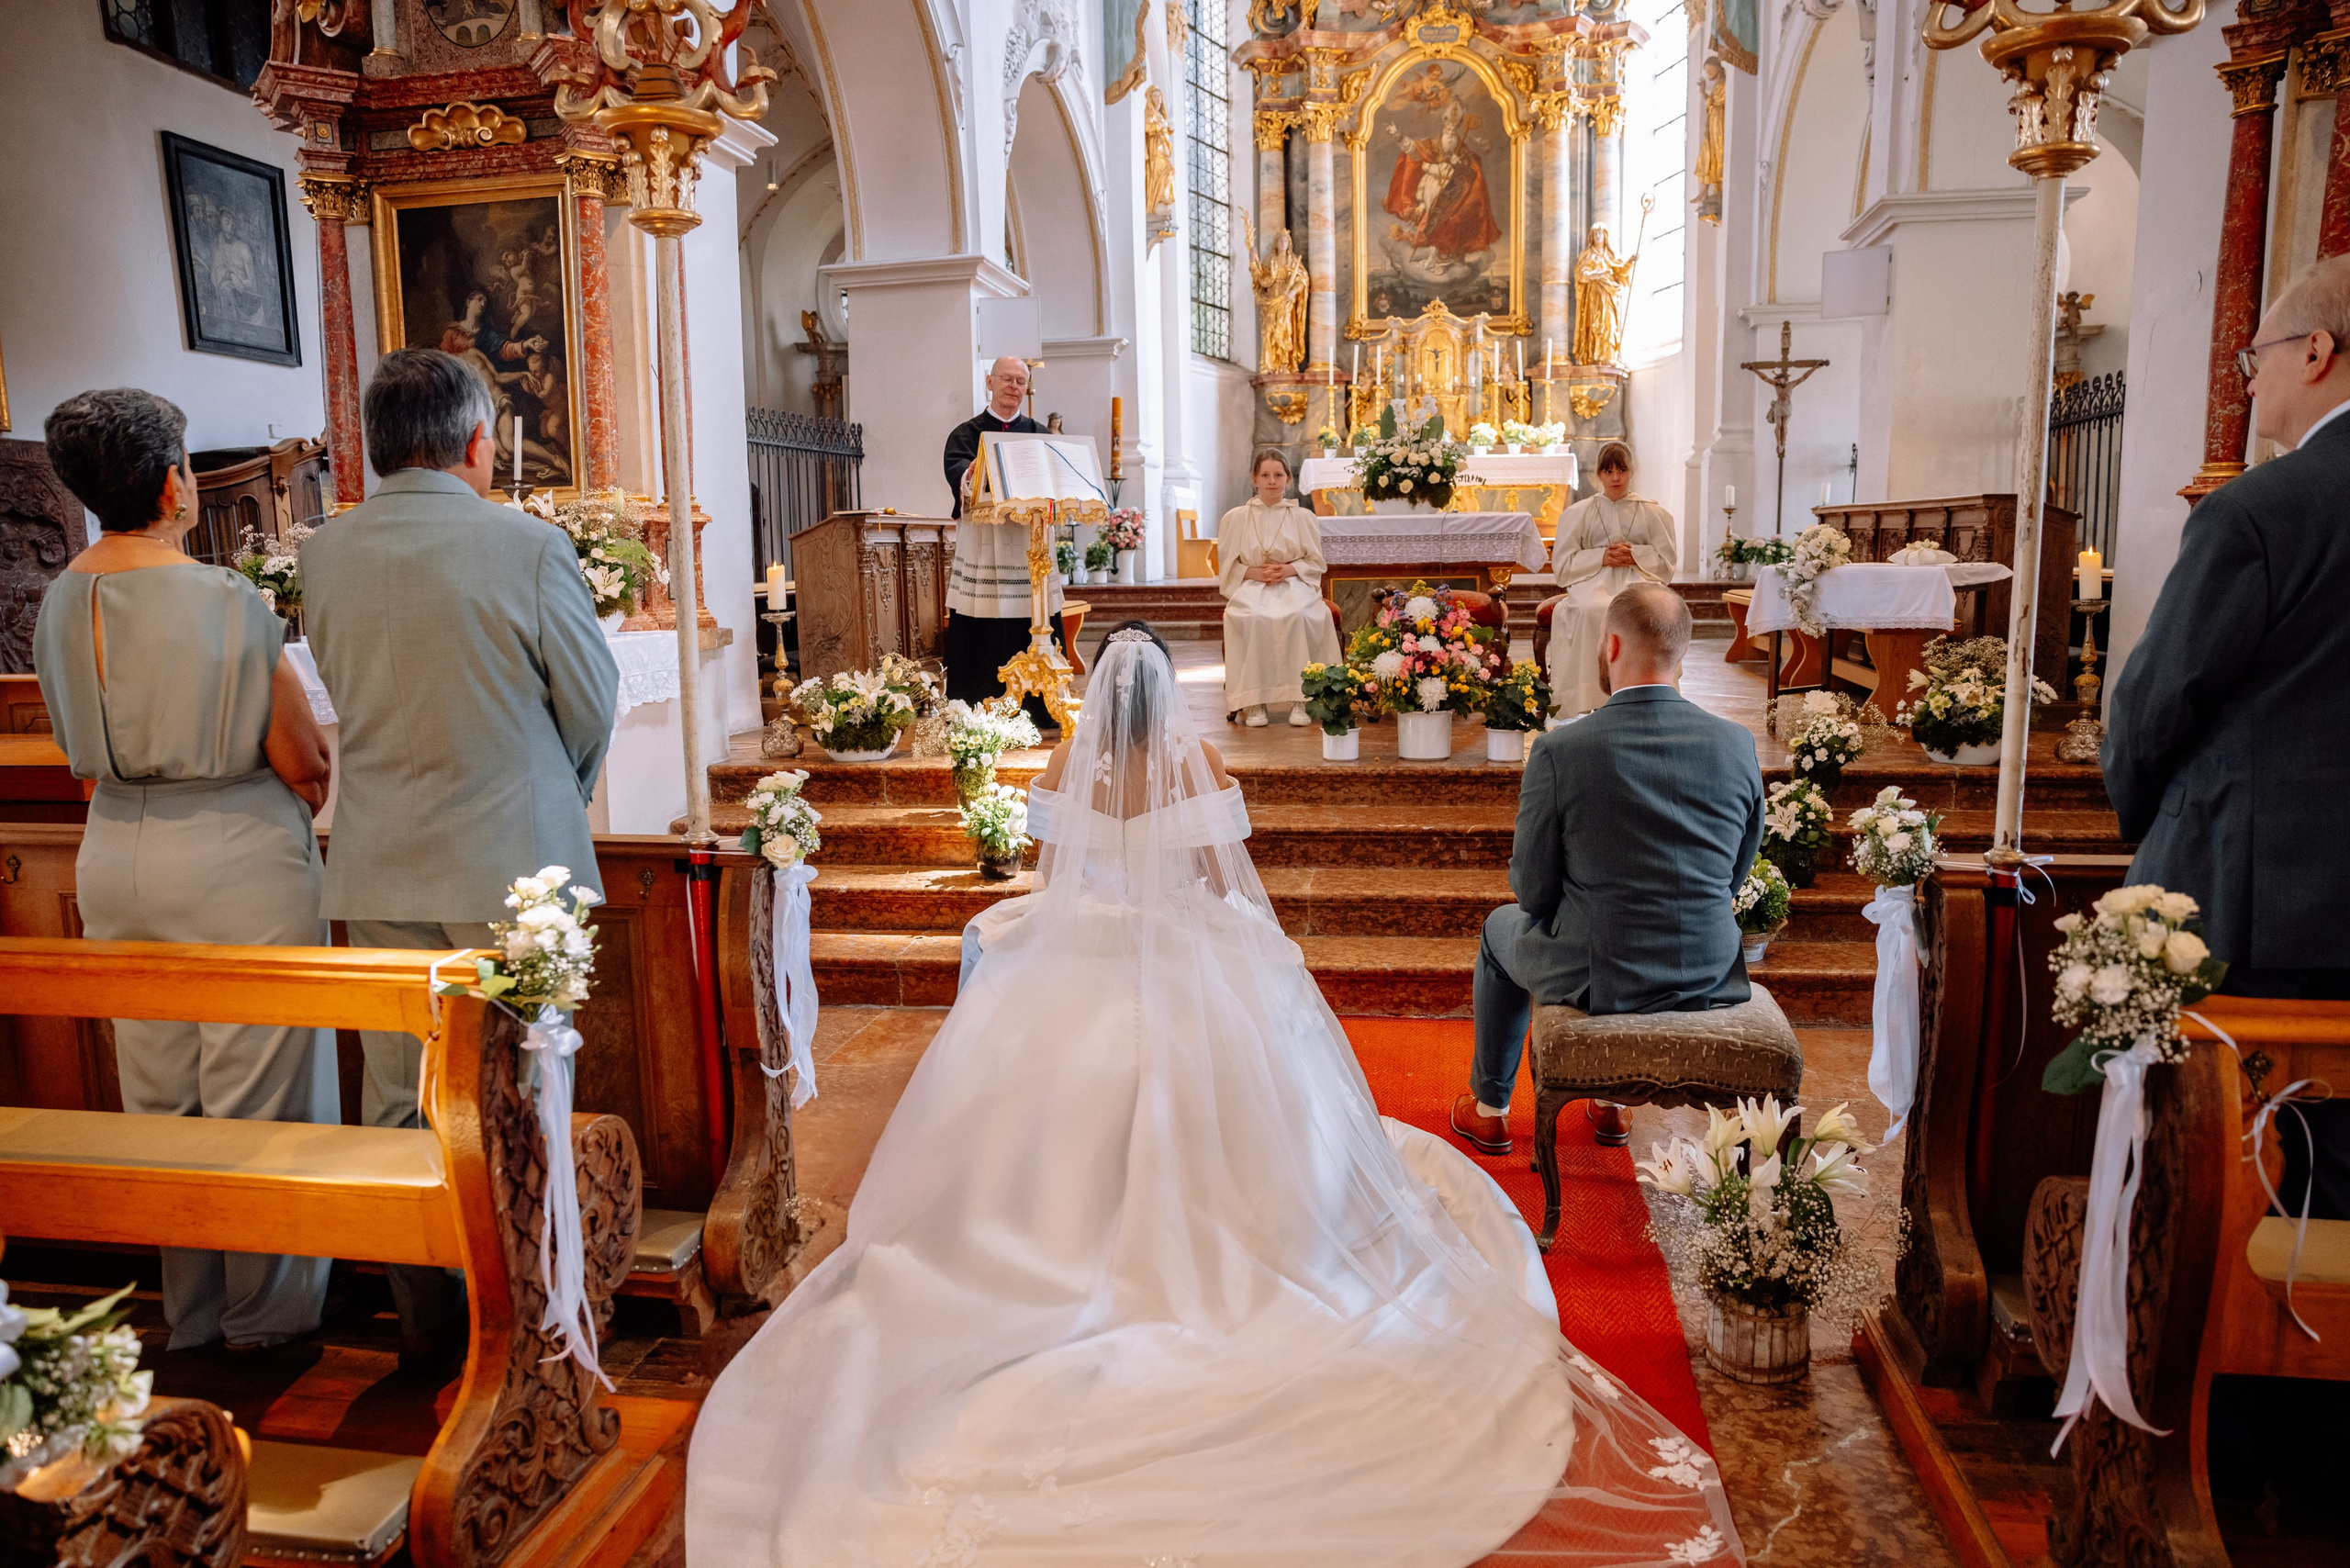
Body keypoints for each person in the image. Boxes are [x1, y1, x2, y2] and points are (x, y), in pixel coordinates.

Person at [687, 627, 1737, 1566]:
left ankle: (1035, 1244)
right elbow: (1217, 877)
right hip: (1184, 957)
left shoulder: (1065, 756)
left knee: (1009, 1016)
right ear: (1168, 702)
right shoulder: (1199, 757)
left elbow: (1052, 879)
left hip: (1086, 957)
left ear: (1101, 698)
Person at [300, 346, 619, 1367]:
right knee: (522, 1089)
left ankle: (431, 1326)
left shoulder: (324, 554)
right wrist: (552, 793)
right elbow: (592, 699)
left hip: (381, 858)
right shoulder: (523, 545)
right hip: (512, 871)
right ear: (478, 442)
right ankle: (530, 1313)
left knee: (402, 1099)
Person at [33, 387, 337, 1350]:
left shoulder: (59, 596)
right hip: (230, 847)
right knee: (259, 1085)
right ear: (174, 482)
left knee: (159, 1092)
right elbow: (304, 763)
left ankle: (193, 1313)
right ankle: (267, 1318)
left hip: (114, 849)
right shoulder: (219, 596)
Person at [2106, 252, 2350, 1219]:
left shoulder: (2259, 509)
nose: (2249, 376)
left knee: (2226, 1173)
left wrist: (2150, 823)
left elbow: (2157, 700)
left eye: (2260, 354)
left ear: (2319, 351)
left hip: (2253, 900)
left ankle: (2234, 1368)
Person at [1454, 584, 1762, 1156]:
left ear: (1612, 644)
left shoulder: (1561, 750)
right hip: (1707, 964)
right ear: (1683, 653)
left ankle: (1490, 1109)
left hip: (1602, 970)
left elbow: (1533, 890)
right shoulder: (1736, 743)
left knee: (1499, 933)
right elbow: (1734, 875)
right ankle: (1610, 1106)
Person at [942, 355, 1064, 723]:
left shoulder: (1040, 433)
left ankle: (1038, 707)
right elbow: (956, 471)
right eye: (1006, 379)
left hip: (1031, 541)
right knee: (985, 615)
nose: (1014, 386)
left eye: (1021, 381)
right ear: (989, 382)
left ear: (1027, 389)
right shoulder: (966, 434)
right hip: (987, 543)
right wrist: (971, 473)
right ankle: (978, 702)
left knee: (1034, 614)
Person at [1546, 442, 1677, 719]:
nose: (1615, 478)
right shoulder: (1579, 513)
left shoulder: (1653, 513)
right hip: (1593, 580)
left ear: (1632, 471)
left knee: (1644, 611)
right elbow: (1563, 563)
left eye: (1622, 470)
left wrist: (1635, 555)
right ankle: (1589, 695)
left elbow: (1666, 562)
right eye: (1608, 471)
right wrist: (1601, 557)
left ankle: (1642, 691)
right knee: (1586, 609)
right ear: (1599, 474)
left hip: (1638, 580)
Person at [1218, 449, 1341, 726]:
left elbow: (1315, 562)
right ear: (1254, 479)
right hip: (1252, 585)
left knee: (1300, 616)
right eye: (1265, 475)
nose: (1271, 481)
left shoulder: (1303, 517)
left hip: (1294, 583)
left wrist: (1288, 569)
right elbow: (1227, 565)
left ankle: (1302, 697)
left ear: (1288, 479)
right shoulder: (1235, 518)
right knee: (1251, 617)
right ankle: (1253, 701)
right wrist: (1254, 573)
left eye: (1278, 475)